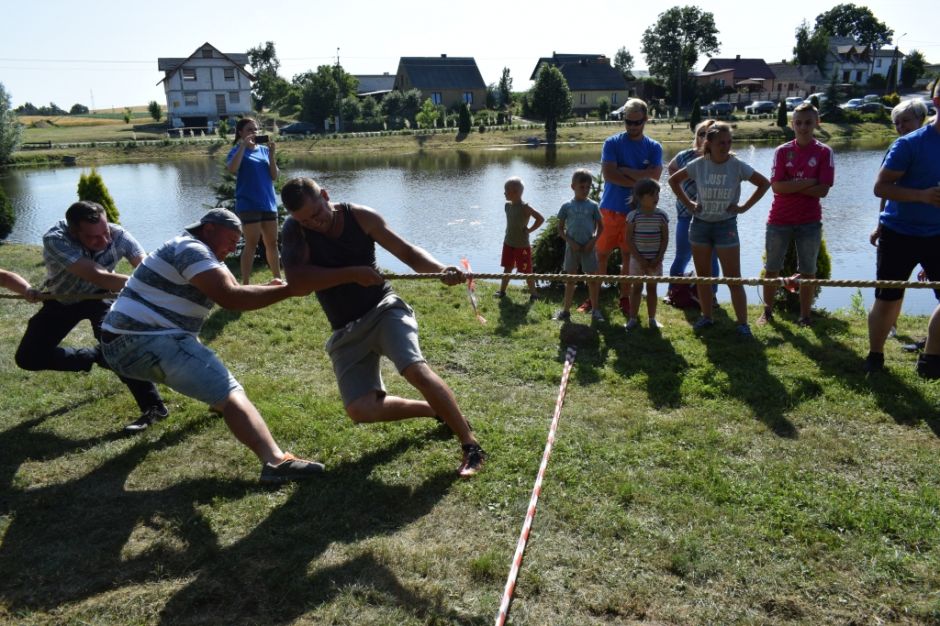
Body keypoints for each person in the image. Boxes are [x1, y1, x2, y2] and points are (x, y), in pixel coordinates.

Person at [278, 177, 486, 477]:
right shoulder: (294, 229)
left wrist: (440, 270)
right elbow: (297, 283)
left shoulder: (361, 217)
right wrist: (352, 274)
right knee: (360, 409)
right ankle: (434, 409)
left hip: (384, 309)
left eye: (317, 214)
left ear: (325, 195)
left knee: (415, 369)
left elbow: (408, 253)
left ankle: (470, 445)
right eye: (305, 220)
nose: (314, 223)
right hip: (346, 328)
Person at [100, 208, 325, 483]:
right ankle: (275, 462)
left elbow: (235, 289)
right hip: (144, 340)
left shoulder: (196, 251)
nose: (232, 248)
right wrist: (290, 289)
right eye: (230, 240)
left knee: (211, 378)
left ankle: (218, 403)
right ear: (209, 229)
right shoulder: (191, 249)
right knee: (230, 393)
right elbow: (231, 298)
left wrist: (271, 288)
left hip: (121, 344)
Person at [14, 201, 169, 432]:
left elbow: (145, 268)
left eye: (105, 232)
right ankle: (96, 356)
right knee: (29, 357)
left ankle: (154, 408)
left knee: (117, 345)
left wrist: (162, 285)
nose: (104, 240)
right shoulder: (56, 239)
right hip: (62, 299)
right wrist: (146, 286)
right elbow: (97, 275)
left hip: (101, 297)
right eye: (93, 237)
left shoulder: (119, 236)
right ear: (73, 232)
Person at [668, 122, 771, 337]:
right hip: (700, 226)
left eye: (729, 142)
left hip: (726, 226)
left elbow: (764, 183)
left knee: (734, 278)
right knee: (704, 278)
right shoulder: (699, 164)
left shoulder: (737, 165)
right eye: (720, 143)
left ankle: (742, 324)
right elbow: (673, 180)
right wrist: (689, 204)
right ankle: (707, 317)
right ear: (709, 143)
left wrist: (744, 207)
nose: (725, 146)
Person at [866, 81, 940, 378]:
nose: (900, 126)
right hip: (899, 233)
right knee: (888, 298)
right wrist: (922, 196)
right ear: (937, 103)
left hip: (938, 235)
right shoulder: (909, 144)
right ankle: (875, 356)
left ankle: (931, 358)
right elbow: (881, 187)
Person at [757, 103, 835, 327]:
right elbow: (777, 187)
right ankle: (767, 312)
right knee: (772, 268)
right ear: (792, 124)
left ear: (817, 123)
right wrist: (809, 182)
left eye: (808, 122)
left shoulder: (824, 152)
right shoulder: (782, 151)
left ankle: (805, 316)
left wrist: (792, 185)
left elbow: (823, 190)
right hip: (779, 219)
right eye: (798, 122)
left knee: (808, 271)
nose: (803, 127)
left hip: (809, 221)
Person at [868, 99, 929, 349]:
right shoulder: (899, 147)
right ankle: (883, 337)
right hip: (898, 228)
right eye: (897, 123)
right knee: (891, 288)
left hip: (933, 232)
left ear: (921, 119)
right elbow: (884, 189)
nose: (901, 127)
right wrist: (880, 224)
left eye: (906, 121)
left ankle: (932, 341)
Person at [596, 98, 663, 317]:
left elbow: (654, 178)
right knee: (601, 255)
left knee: (628, 257)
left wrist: (624, 170)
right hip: (610, 209)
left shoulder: (654, 147)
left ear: (646, 119)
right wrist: (639, 180)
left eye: (637, 122)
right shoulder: (612, 143)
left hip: (635, 214)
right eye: (628, 122)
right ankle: (594, 298)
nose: (632, 126)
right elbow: (609, 174)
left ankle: (624, 298)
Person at [666, 119, 720, 299]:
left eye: (708, 134)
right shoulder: (685, 156)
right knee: (682, 255)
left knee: (712, 257)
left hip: (712, 217)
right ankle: (673, 291)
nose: (704, 137)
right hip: (685, 213)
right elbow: (671, 168)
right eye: (701, 133)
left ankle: (711, 295)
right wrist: (682, 191)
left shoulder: (721, 157)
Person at [227, 117, 281, 285]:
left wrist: (272, 155)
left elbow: (274, 176)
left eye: (256, 129)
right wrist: (243, 146)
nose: (254, 132)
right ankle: (246, 283)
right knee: (251, 243)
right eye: (249, 130)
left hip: (268, 203)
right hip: (248, 204)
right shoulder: (237, 151)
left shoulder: (264, 150)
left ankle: (278, 279)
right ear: (240, 132)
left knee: (272, 243)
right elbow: (232, 169)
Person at [553, 169, 604, 323]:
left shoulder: (593, 206)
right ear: (573, 187)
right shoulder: (566, 206)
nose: (585, 190)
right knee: (570, 279)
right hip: (572, 248)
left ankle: (595, 310)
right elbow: (560, 229)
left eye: (588, 187)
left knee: (592, 280)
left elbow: (600, 227)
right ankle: (566, 311)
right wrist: (571, 242)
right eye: (582, 187)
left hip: (589, 248)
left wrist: (592, 242)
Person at [625, 178, 669, 330]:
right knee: (636, 288)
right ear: (640, 197)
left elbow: (665, 239)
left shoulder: (662, 216)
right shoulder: (633, 216)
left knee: (652, 289)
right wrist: (639, 259)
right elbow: (629, 240)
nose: (656, 198)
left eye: (657, 194)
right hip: (637, 260)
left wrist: (658, 258)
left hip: (655, 260)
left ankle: (652, 319)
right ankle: (632, 318)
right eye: (652, 195)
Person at [495, 177, 544, 301]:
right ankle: (502, 291)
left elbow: (540, 219)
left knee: (527, 270)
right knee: (507, 267)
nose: (504, 193)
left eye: (506, 190)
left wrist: (530, 230)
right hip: (508, 243)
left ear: (516, 192)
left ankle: (534, 294)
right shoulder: (507, 206)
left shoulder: (525, 207)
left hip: (522, 245)